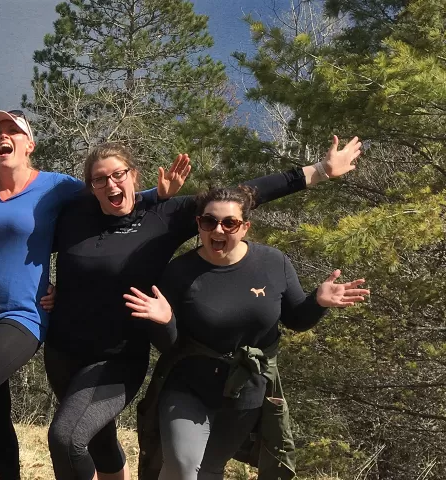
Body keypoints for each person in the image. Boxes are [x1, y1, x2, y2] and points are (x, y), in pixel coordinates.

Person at [39, 137, 362, 480]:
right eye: (99, 180)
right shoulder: (74, 217)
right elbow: (20, 243)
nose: (110, 184)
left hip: (117, 356)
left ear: (135, 175)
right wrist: (42, 287)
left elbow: (242, 196)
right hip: (62, 351)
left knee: (66, 438)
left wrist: (321, 171)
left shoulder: (164, 216)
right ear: (90, 187)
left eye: (119, 174)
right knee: (97, 438)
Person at [125, 185, 369, 480]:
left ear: (245, 227)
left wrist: (317, 302)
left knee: (210, 469)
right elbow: (170, 345)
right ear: (199, 224)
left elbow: (296, 319)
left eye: (229, 223)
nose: (218, 229)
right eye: (208, 221)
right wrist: (164, 322)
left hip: (247, 390)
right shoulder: (180, 272)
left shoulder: (272, 263)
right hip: (188, 387)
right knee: (183, 466)